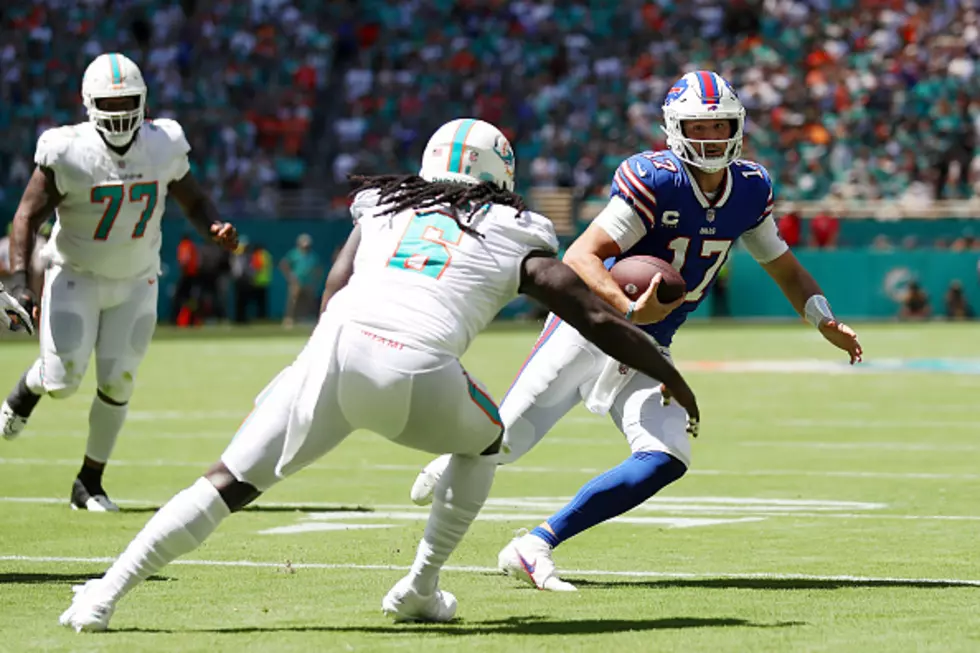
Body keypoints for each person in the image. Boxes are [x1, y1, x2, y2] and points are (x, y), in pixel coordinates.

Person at [58, 118, 699, 631]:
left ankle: (103, 595)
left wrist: (299, 371)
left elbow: (336, 289)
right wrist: (668, 369)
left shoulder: (385, 207)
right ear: (499, 174)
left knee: (226, 484)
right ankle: (421, 584)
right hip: (414, 367)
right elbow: (592, 315)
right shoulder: (515, 229)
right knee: (487, 442)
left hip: (332, 354)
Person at [410, 71, 863, 592]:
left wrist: (821, 318)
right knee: (504, 446)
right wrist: (625, 307)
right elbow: (582, 255)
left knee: (666, 456)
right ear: (675, 128)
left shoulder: (750, 188)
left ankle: (533, 544)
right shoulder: (656, 179)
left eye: (721, 128)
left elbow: (782, 265)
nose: (712, 139)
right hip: (589, 329)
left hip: (649, 344)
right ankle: (452, 471)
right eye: (700, 127)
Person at [0, 53, 239, 511]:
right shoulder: (66, 149)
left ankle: (89, 482)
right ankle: (28, 388)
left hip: (136, 279)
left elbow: (193, 199)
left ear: (144, 99)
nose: (121, 111)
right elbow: (26, 214)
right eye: (111, 103)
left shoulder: (164, 143)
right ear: (89, 104)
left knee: (119, 381)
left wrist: (213, 226)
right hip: (76, 274)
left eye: (129, 100)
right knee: (62, 379)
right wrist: (18, 279)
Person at [279, 233, 322, 328]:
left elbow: (318, 269)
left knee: (309, 301)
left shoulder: (312, 255)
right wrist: (290, 276)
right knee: (293, 301)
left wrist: (315, 280)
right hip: (297, 282)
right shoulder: (294, 254)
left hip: (308, 282)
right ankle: (288, 320)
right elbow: (284, 264)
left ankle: (305, 319)